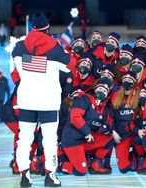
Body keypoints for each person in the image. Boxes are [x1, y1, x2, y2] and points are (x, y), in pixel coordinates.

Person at [12, 13, 76, 187]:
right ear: (47, 29)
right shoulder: (56, 49)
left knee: (24, 139)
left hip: (27, 100)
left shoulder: (18, 47)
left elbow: (18, 65)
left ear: (33, 28)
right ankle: (50, 176)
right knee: (49, 140)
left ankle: (24, 176)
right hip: (48, 102)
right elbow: (71, 65)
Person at [60, 79, 115, 175]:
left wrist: (107, 127)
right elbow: (75, 117)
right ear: (95, 89)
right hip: (73, 140)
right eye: (100, 88)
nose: (102, 92)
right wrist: (87, 132)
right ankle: (60, 163)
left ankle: (95, 164)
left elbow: (107, 122)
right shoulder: (83, 99)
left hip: (86, 141)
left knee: (110, 139)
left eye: (105, 91)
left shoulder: (103, 107)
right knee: (81, 171)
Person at [111, 71, 139, 173]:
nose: (127, 81)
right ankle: (130, 156)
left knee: (141, 140)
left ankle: (138, 155)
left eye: (130, 80)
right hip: (122, 135)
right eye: (125, 80)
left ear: (134, 82)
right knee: (123, 168)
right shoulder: (116, 96)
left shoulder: (139, 96)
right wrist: (113, 131)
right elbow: (111, 117)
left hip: (135, 132)